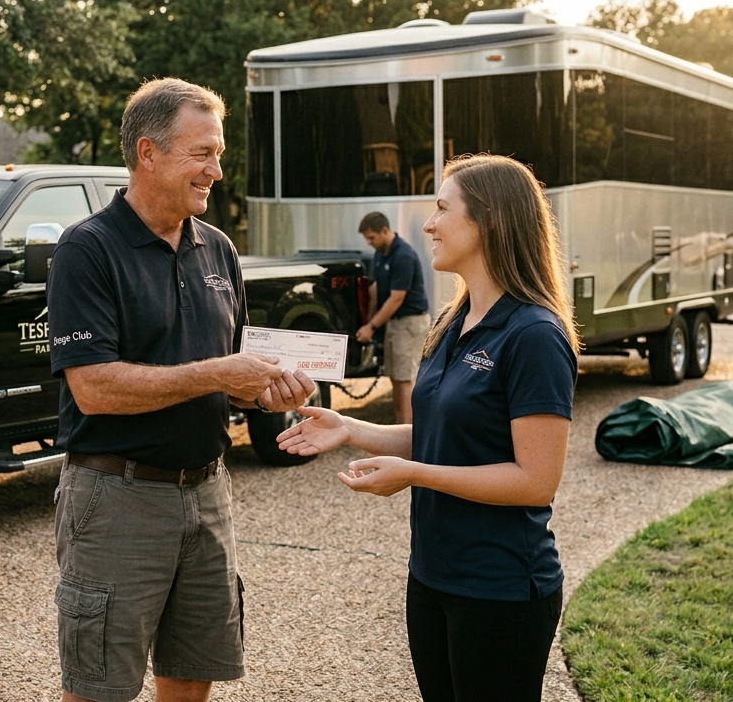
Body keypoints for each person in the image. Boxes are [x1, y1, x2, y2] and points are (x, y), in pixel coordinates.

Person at [46, 77, 316, 702]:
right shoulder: (88, 250)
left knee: (194, 675)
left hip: (208, 492)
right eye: (203, 153)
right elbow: (94, 389)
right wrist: (222, 373)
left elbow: (233, 378)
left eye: (218, 154)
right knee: (99, 688)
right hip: (117, 497)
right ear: (149, 152)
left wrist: (263, 394)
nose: (216, 170)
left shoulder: (217, 249)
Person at [279, 154, 579, 702]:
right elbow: (444, 439)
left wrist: (414, 474)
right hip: (433, 579)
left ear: (489, 221)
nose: (429, 224)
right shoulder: (451, 322)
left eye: (442, 208)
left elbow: (536, 479)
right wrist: (348, 428)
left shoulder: (534, 334)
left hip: (502, 588)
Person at [355, 211, 430, 424]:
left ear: (385, 231)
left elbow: (397, 298)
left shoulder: (403, 255)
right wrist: (368, 320)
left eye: (371, 237)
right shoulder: (381, 253)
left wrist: (371, 326)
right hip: (393, 323)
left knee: (405, 378)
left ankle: (408, 430)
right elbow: (376, 290)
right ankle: (400, 422)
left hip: (410, 322)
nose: (369, 243)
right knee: (395, 377)